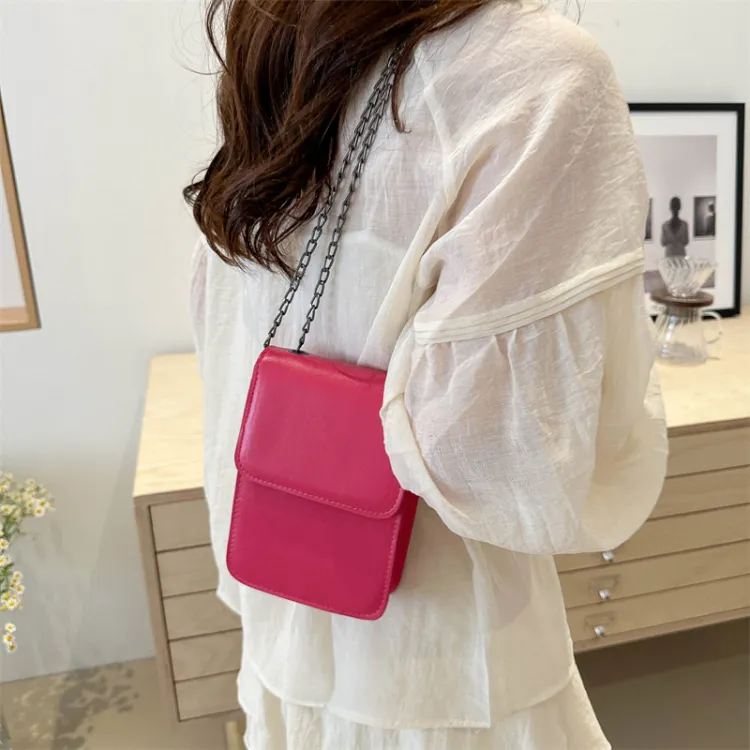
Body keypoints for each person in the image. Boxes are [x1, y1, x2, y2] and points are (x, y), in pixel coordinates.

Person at [186, 2, 668, 748]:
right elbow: (517, 466)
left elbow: (226, 329)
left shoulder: (276, 31)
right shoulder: (539, 73)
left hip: (283, 630)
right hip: (445, 668)